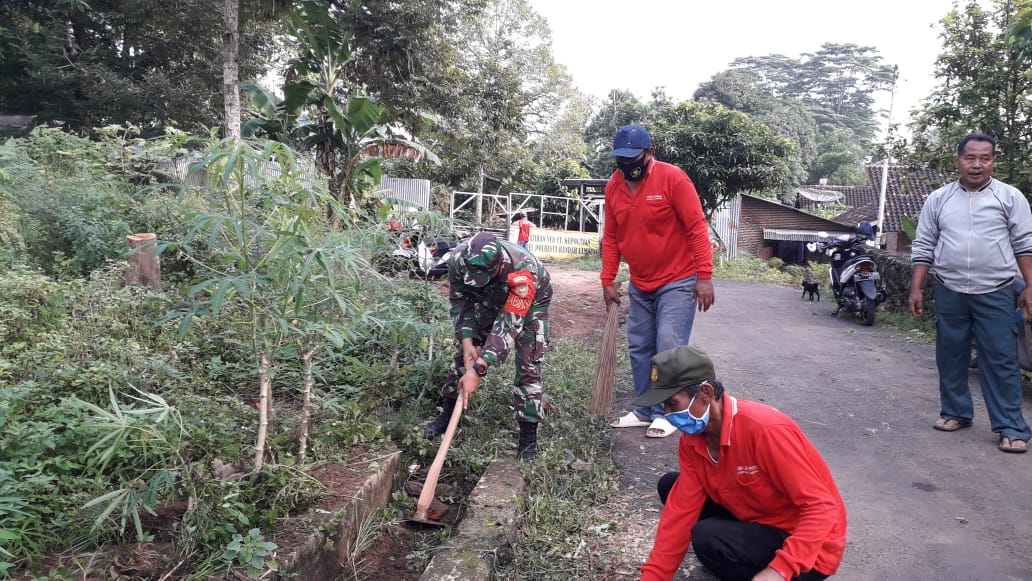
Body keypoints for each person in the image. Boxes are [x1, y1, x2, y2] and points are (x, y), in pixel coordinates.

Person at [638, 345, 847, 581]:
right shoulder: (692, 442)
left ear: (705, 393)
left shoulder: (765, 430)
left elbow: (821, 508)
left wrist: (779, 570)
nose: (667, 413)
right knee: (671, 486)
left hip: (808, 545)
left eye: (672, 404)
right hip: (757, 517)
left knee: (708, 537)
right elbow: (680, 511)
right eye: (664, 406)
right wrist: (654, 577)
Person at [908, 132, 1032, 454]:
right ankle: (956, 412)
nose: (976, 165)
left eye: (984, 158)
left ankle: (1011, 427)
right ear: (958, 161)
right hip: (949, 290)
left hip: (997, 291)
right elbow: (924, 245)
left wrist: (1031, 285)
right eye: (970, 158)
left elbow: (1025, 245)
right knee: (950, 355)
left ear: (993, 161)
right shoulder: (939, 199)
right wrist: (917, 287)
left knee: (1001, 359)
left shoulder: (1010, 197)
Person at [601, 124, 715, 438]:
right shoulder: (614, 186)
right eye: (621, 161)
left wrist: (704, 277)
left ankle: (668, 411)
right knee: (639, 347)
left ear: (649, 154)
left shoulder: (673, 179)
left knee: (668, 346)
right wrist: (607, 279)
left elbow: (695, 227)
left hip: (678, 279)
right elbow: (611, 237)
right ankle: (643, 409)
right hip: (640, 281)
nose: (627, 167)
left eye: (633, 159)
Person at [423, 232, 552, 461]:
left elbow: (507, 327)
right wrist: (467, 343)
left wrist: (480, 369)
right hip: (487, 296)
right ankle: (447, 416)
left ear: (499, 264)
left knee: (528, 364)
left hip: (531, 304)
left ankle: (528, 439)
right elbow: (461, 303)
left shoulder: (523, 272)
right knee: (464, 357)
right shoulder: (457, 260)